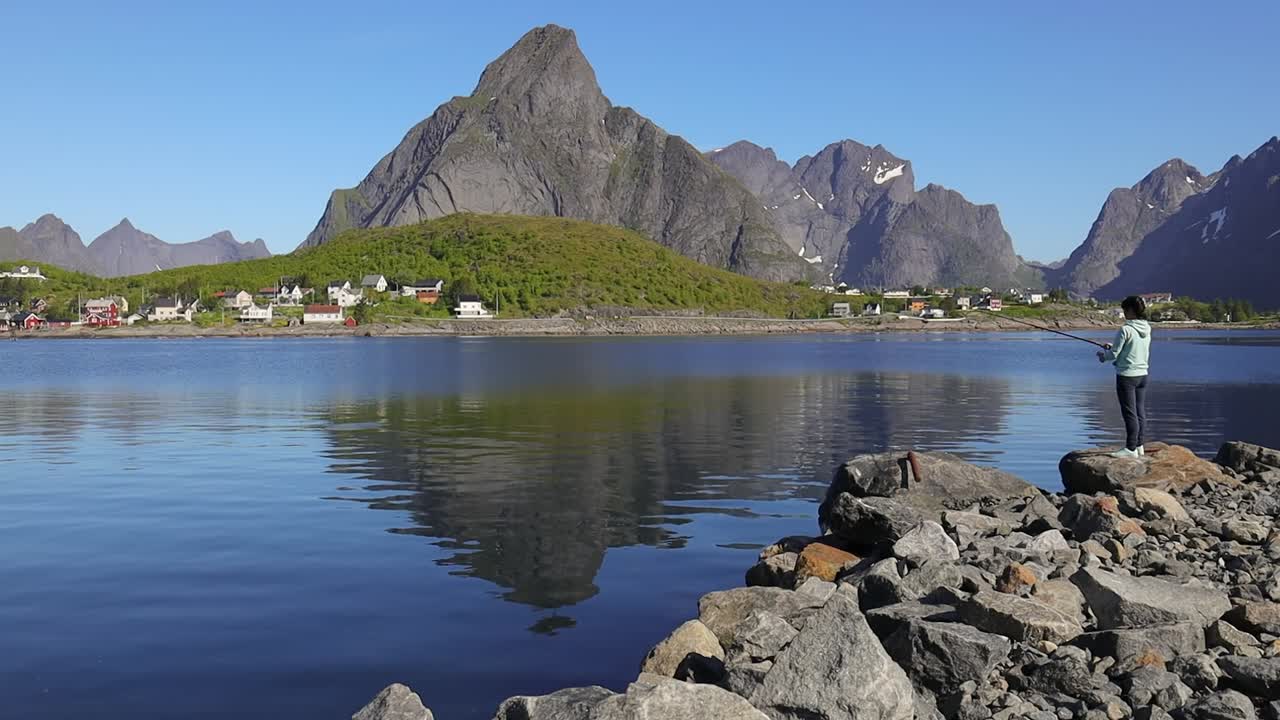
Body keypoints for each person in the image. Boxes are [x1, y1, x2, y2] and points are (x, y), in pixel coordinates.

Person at [1097, 296, 1151, 459]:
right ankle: (1139, 445)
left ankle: (1130, 448)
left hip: (1127, 376)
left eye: (1125, 310)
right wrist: (1112, 347)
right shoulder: (1147, 328)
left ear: (1131, 310)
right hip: (1142, 375)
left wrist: (1103, 356)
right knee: (1139, 411)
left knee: (1129, 412)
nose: (1124, 313)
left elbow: (1113, 355)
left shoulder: (1125, 329)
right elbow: (1130, 348)